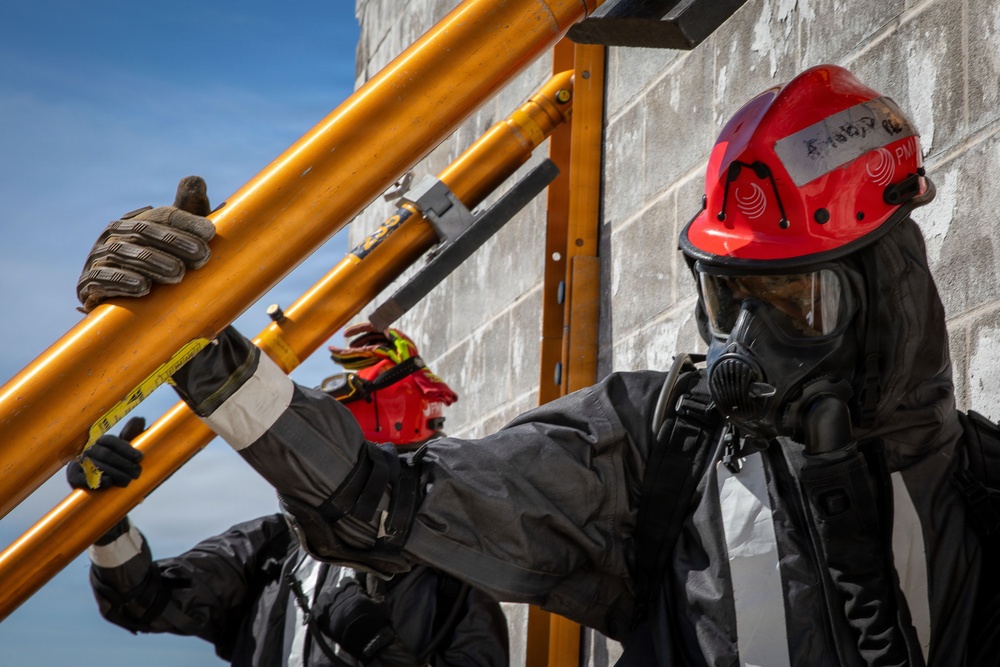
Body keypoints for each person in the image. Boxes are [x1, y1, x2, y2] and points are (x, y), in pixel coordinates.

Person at [77, 64, 991, 665]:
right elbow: (391, 499)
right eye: (727, 298)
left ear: (882, 292)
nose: (744, 348)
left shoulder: (981, 493)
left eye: (792, 301)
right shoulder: (656, 454)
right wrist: (207, 353)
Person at [67, 325, 509, 667]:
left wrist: (379, 649)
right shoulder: (271, 551)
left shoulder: (454, 584)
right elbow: (144, 600)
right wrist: (105, 521)